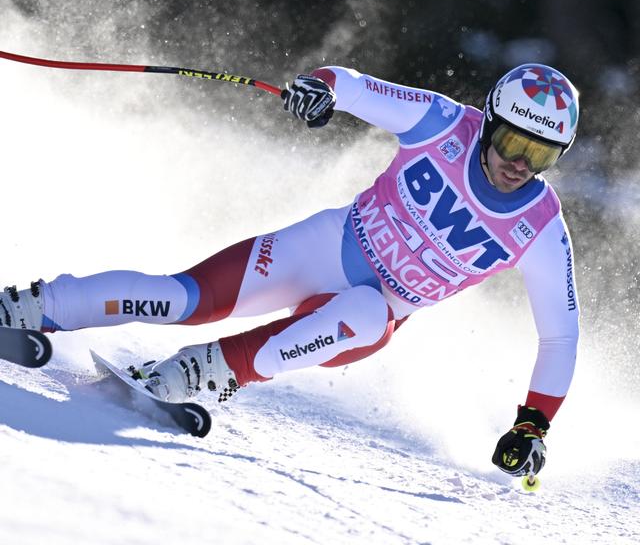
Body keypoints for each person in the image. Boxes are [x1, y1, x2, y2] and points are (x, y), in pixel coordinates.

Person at [1, 62, 580, 478]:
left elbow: (560, 335)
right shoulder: (441, 122)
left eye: (541, 156)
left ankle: (191, 375)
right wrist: (320, 88)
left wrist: (533, 426)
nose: (517, 165)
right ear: (488, 123)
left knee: (355, 313)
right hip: (325, 248)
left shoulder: (542, 225)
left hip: (373, 314)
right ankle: (30, 308)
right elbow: (352, 85)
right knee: (181, 299)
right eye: (510, 142)